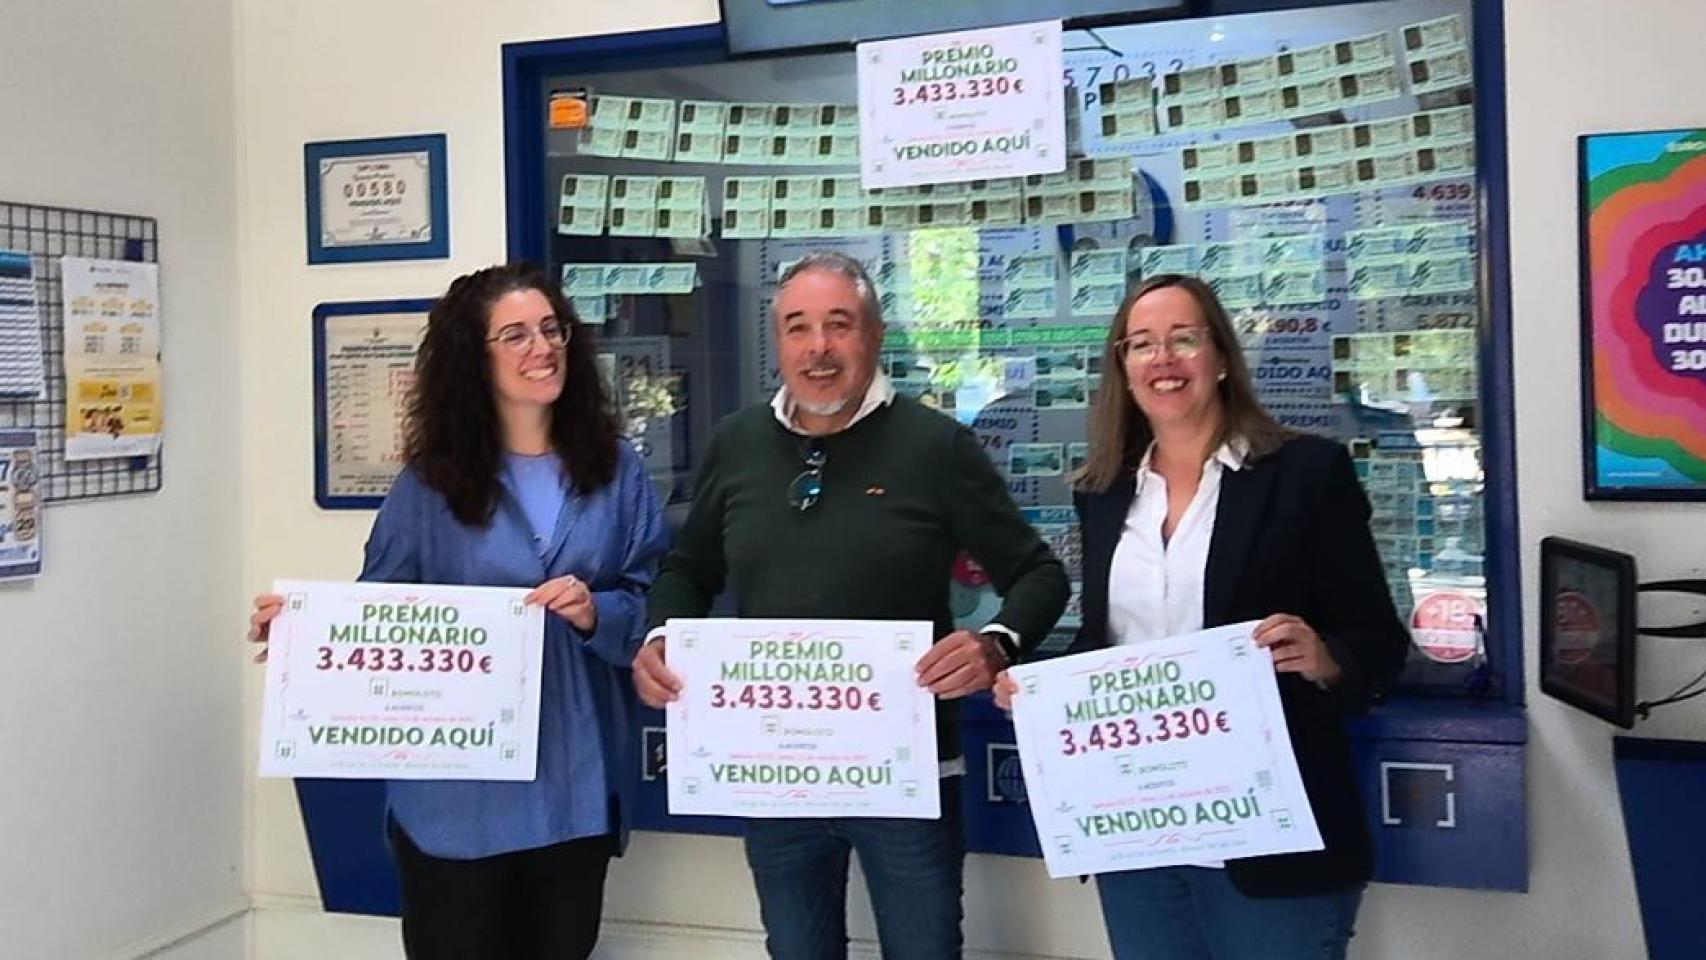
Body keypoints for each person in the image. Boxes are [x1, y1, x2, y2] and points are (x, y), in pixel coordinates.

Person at [631, 250, 1069, 959]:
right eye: (798, 327)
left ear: (875, 334)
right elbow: (688, 570)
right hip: (776, 776)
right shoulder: (738, 444)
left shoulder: (937, 446)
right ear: (778, 342)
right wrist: (659, 639)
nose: (819, 348)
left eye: (839, 324)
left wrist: (996, 643)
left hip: (909, 776)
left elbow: (1039, 576)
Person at [247, 263, 668, 960]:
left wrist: (598, 612)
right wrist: (304, 632)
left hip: (572, 784)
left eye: (552, 329)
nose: (543, 347)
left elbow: (654, 600)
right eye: (516, 335)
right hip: (453, 799)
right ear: (474, 359)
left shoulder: (617, 471)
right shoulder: (427, 485)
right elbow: (380, 611)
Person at [998, 273, 1408, 960]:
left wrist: (1326, 656)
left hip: (1272, 837)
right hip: (1137, 832)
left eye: (1183, 339)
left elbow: (1380, 640)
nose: (1163, 359)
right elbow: (1111, 641)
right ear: (1123, 368)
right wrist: (1042, 695)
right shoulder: (1105, 492)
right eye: (1141, 344)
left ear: (1220, 357)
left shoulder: (1307, 473)